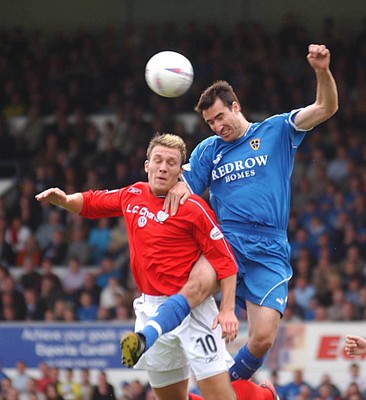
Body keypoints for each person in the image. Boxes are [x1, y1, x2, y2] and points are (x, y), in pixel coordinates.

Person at [36, 133, 278, 400]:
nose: (163, 167)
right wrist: (64, 201)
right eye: (158, 160)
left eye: (171, 163)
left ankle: (264, 396)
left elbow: (225, 262)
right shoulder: (133, 194)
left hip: (194, 314)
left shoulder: (194, 208)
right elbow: (93, 203)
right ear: (146, 165)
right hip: (151, 308)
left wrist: (228, 310)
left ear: (179, 171)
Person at [159, 43, 338, 381]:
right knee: (191, 289)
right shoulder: (207, 151)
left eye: (220, 117)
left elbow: (326, 107)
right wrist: (179, 184)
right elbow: (182, 190)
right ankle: (152, 334)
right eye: (210, 122)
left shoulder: (277, 130)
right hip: (226, 241)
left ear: (235, 107)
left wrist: (321, 70)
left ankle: (229, 387)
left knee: (262, 338)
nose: (216, 127)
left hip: (269, 247)